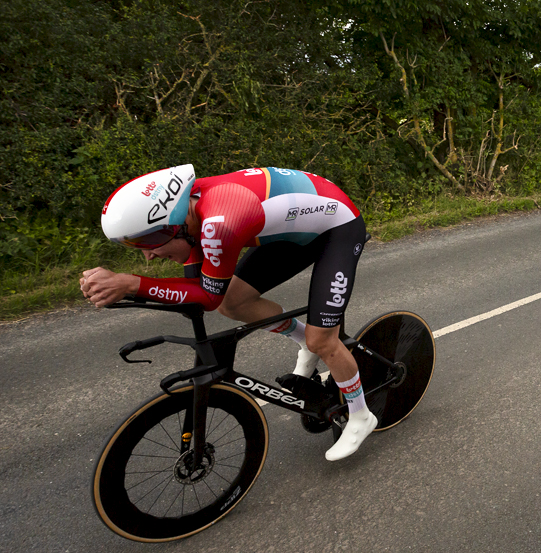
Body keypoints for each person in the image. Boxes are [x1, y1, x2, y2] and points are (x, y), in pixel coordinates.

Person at [80, 165, 376, 461]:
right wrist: (127, 288)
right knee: (233, 302)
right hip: (294, 229)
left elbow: (206, 297)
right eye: (135, 245)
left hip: (338, 228)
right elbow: (196, 291)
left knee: (322, 340)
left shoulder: (219, 224)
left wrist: (130, 283)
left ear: (175, 224)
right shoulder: (192, 214)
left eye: (148, 241)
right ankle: (304, 343)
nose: (147, 255)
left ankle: (361, 415)